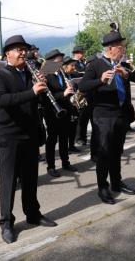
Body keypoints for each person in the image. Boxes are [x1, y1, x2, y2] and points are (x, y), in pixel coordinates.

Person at [0, 35, 57, 244]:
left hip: (29, 133)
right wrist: (31, 92)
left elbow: (34, 99)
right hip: (9, 136)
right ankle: (6, 222)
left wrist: (42, 87)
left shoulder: (29, 73)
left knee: (30, 179)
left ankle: (33, 214)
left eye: (24, 49)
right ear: (7, 53)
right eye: (17, 49)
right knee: (8, 182)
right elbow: (2, 101)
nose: (22, 53)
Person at [78, 25, 135, 205]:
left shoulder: (122, 65)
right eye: (121, 47)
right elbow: (82, 86)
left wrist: (125, 74)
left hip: (120, 114)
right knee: (104, 153)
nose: (123, 50)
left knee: (117, 151)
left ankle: (117, 183)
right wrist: (100, 80)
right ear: (110, 49)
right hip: (103, 116)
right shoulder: (95, 65)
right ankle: (103, 187)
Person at [43, 49, 78, 177]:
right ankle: (51, 166)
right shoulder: (46, 74)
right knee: (52, 139)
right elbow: (46, 96)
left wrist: (71, 91)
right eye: (59, 59)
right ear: (51, 61)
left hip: (65, 109)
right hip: (52, 111)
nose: (61, 61)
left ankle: (65, 162)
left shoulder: (62, 72)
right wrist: (63, 93)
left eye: (61, 59)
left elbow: (66, 90)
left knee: (64, 137)